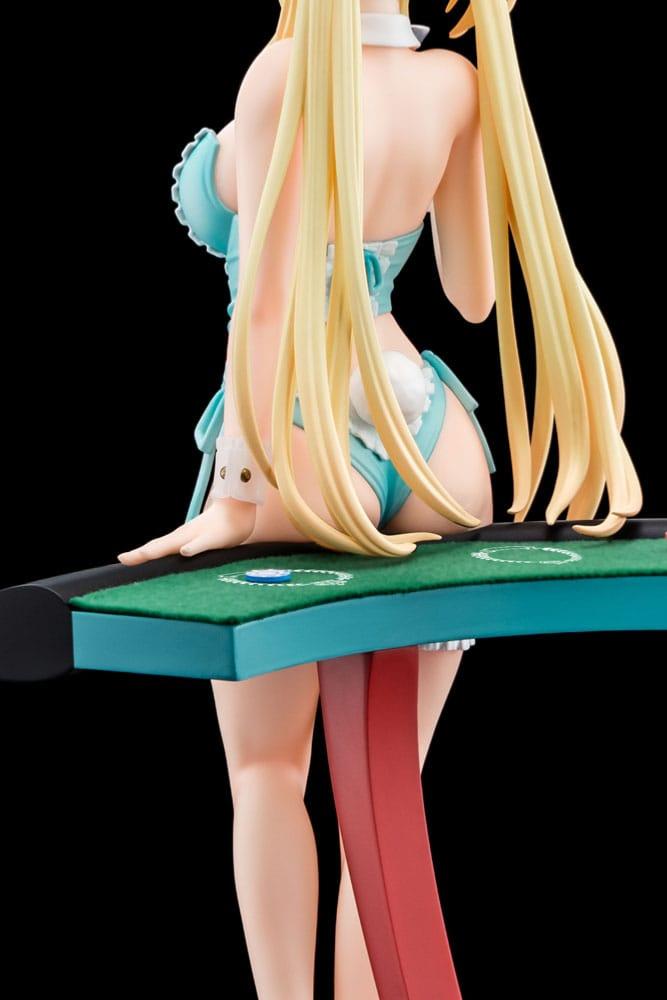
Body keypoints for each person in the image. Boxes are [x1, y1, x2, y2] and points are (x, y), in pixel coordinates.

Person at [117, 2, 643, 996]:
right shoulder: (457, 86)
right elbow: (472, 294)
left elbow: (265, 308)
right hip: (437, 441)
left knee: (268, 773)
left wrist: (239, 491)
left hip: (308, 432)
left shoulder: (284, 79)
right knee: (383, 790)